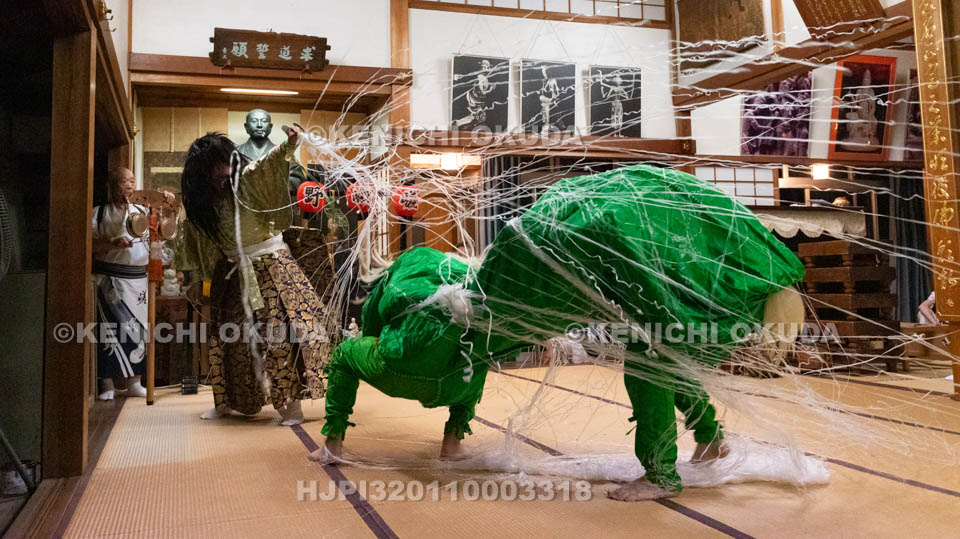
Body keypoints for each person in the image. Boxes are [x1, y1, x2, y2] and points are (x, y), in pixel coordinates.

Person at [315, 165, 805, 501]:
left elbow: (353, 355)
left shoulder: (471, 302)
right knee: (657, 350)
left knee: (650, 359)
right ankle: (711, 438)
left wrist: (334, 438)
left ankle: (662, 476)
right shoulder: (485, 303)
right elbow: (475, 351)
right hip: (731, 290)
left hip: (707, 299)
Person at [176, 126, 336, 424]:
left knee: (280, 337)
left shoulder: (247, 180)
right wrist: (196, 278)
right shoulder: (202, 207)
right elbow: (195, 244)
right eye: (216, 168)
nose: (225, 171)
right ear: (203, 174)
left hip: (273, 267)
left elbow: (267, 166)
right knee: (230, 339)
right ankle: (227, 400)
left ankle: (291, 405)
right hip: (234, 274)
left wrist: (288, 146)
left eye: (226, 163)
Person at [91, 168, 173, 400]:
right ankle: (106, 384)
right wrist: (111, 243)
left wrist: (166, 205)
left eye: (131, 181)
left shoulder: (143, 213)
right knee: (110, 334)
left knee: (138, 332)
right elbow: (88, 245)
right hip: (111, 282)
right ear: (111, 186)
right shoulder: (99, 213)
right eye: (122, 181)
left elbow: (160, 237)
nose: (128, 184)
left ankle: (135, 381)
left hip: (139, 281)